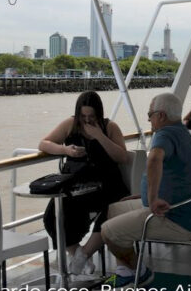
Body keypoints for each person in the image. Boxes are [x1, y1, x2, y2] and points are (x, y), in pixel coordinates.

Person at [73, 92, 191, 287]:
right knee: (113, 209)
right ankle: (124, 270)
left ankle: (138, 272)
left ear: (161, 115)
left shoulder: (165, 133)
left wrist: (151, 200)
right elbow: (176, 175)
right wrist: (143, 195)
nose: (148, 119)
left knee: (108, 231)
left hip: (174, 217)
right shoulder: (181, 132)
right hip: (185, 209)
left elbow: (154, 159)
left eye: (150, 114)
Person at [38, 91, 129, 275]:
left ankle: (84, 254)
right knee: (52, 217)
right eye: (83, 116)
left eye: (91, 116)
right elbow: (44, 143)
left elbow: (122, 156)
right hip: (78, 183)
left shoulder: (110, 127)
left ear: (99, 114)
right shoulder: (71, 125)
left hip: (107, 183)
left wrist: (99, 136)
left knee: (112, 212)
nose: (87, 121)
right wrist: (65, 150)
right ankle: (78, 255)